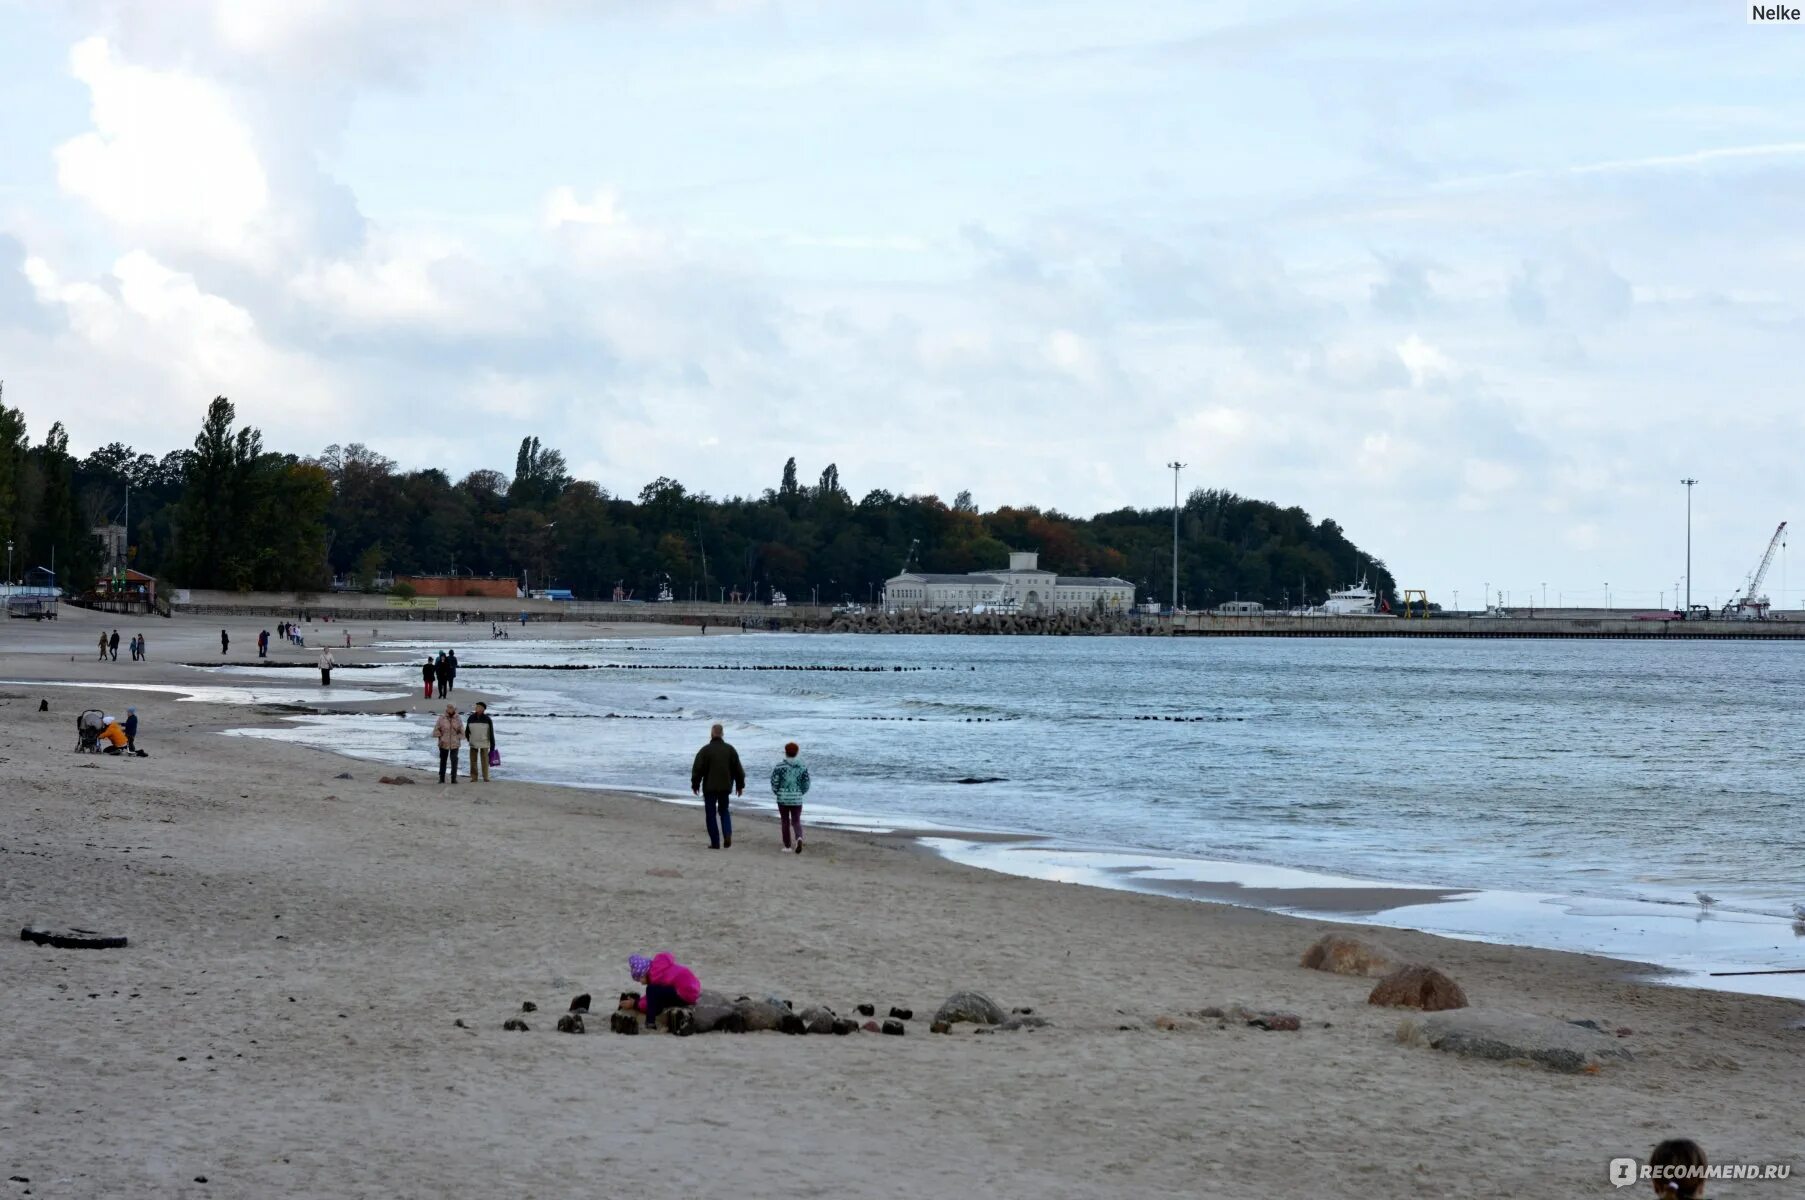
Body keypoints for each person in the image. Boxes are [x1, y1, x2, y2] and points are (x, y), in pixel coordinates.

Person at [690, 723, 745, 849]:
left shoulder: (705, 750)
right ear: (722, 734)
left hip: (709, 788)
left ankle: (715, 842)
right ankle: (727, 833)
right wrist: (740, 785)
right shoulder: (730, 750)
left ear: (712, 734)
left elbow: (697, 769)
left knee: (710, 815)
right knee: (724, 811)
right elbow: (738, 770)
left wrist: (695, 784)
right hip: (725, 787)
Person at [628, 952, 701, 1025]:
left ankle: (650, 1023)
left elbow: (650, 999)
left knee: (651, 989)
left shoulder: (656, 976)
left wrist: (635, 1004)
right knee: (655, 993)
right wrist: (637, 1002)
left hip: (685, 994)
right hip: (692, 992)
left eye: (640, 978)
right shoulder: (659, 970)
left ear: (645, 973)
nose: (641, 982)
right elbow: (651, 997)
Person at [769, 741, 811, 854]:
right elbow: (806, 783)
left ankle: (787, 846)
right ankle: (799, 838)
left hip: (782, 798)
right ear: (797, 753)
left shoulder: (779, 766)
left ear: (786, 752)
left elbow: (774, 781)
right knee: (796, 820)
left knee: (785, 821)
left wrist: (777, 792)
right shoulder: (802, 767)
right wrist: (800, 792)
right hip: (796, 798)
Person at [432, 704, 464, 783]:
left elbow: (462, 730)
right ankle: (441, 778)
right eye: (448, 707)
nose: (449, 709)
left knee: (454, 760)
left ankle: (454, 778)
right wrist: (441, 738)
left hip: (455, 743)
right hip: (444, 743)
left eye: (451, 707)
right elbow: (436, 729)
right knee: (443, 760)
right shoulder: (442, 717)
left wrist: (458, 737)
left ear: (454, 709)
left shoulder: (458, 718)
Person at [465, 701, 495, 782]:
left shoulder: (487, 719)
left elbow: (491, 733)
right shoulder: (471, 717)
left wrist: (492, 746)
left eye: (478, 706)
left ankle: (486, 777)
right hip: (473, 742)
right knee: (473, 761)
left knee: (485, 761)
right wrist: (468, 738)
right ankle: (474, 777)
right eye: (476, 706)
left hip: (484, 742)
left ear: (482, 709)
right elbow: (467, 730)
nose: (476, 708)